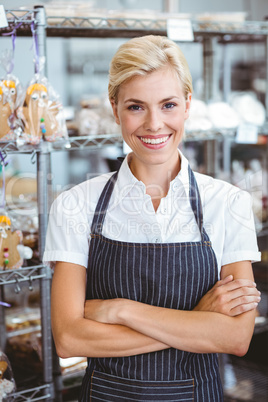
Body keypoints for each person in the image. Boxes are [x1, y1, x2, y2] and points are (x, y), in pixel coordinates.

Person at [43, 35, 261, 401]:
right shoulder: (74, 204)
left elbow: (235, 338)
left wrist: (118, 310)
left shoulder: (228, 203)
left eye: (169, 104)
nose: (154, 124)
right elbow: (69, 339)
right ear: (115, 109)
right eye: (136, 107)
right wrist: (197, 321)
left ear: (188, 104)